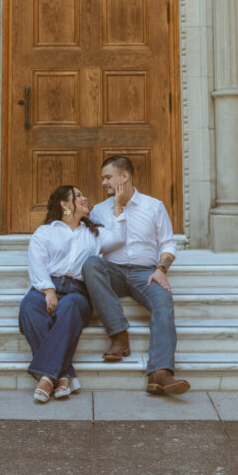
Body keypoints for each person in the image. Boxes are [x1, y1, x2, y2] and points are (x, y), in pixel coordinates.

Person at [84, 155, 191, 396]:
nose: (103, 183)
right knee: (92, 264)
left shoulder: (154, 206)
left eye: (108, 177)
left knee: (163, 302)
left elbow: (168, 244)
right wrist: (118, 209)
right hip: (113, 272)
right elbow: (98, 247)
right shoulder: (99, 211)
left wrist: (161, 270)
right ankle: (119, 336)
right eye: (103, 178)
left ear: (125, 177)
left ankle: (160, 373)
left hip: (146, 273)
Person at [19, 183, 127, 402]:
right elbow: (37, 263)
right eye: (78, 196)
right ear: (65, 204)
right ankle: (64, 374)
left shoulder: (94, 233)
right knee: (29, 307)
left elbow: (119, 238)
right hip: (46, 286)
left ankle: (47, 375)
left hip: (78, 292)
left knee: (70, 307)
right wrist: (48, 291)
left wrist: (118, 206)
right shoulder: (45, 231)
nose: (85, 198)